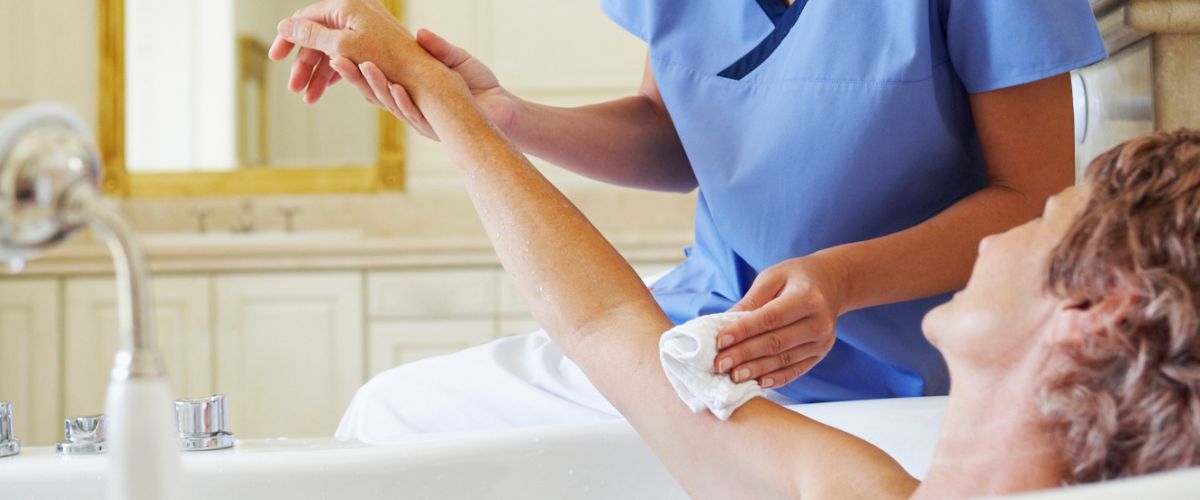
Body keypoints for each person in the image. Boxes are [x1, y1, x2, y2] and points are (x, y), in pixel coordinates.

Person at [274, 11, 1200, 493]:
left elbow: (603, 326)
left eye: (1055, 230)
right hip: (711, 322)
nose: (1030, 234)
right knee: (392, 412)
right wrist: (488, 115)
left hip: (871, 369)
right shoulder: (849, 486)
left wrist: (842, 278)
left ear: (1094, 310)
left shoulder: (853, 477)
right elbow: (606, 318)